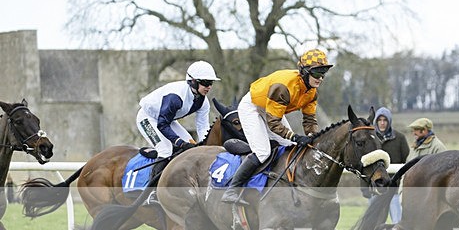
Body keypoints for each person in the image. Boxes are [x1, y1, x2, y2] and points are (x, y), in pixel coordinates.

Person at [221, 49, 333, 205]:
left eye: (323, 73)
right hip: (252, 107)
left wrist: (313, 137)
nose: (320, 77)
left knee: (290, 146)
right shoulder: (284, 87)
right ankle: (231, 190)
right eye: (317, 73)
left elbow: (309, 120)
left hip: (271, 110)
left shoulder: (312, 92)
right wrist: (294, 136)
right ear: (305, 71)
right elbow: (274, 123)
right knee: (263, 152)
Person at [137, 60, 220, 204]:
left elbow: (202, 128)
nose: (209, 87)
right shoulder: (175, 97)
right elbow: (162, 125)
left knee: (192, 146)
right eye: (205, 82)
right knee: (166, 149)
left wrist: (205, 146)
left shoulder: (203, 102)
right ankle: (152, 193)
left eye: (211, 83)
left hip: (167, 121)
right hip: (148, 118)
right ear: (193, 82)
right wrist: (179, 142)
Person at [406, 117, 447, 230]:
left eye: (416, 130)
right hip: (415, 197)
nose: (414, 133)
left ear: (424, 131)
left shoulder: (438, 147)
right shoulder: (415, 147)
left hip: (430, 198)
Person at [372, 107, 410, 230]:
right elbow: (364, 164)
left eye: (384, 120)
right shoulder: (370, 138)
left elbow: (406, 163)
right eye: (379, 120)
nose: (382, 123)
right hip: (375, 192)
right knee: (376, 227)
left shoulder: (400, 139)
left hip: (393, 192)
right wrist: (365, 190)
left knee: (399, 225)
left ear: (389, 122)